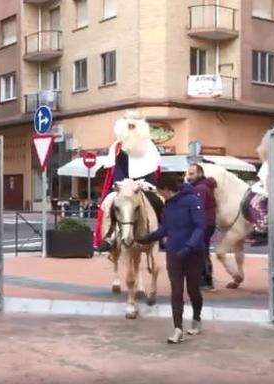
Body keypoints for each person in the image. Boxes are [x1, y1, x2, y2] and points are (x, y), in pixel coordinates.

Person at [138, 173, 206, 344]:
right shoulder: (168, 204)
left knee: (192, 289)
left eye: (160, 191)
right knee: (176, 290)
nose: (160, 194)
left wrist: (189, 246)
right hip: (174, 253)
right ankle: (178, 329)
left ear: (167, 189)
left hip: (193, 253)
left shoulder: (192, 201)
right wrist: (147, 238)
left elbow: (200, 227)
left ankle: (196, 319)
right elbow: (165, 228)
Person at [95, 111, 162, 252]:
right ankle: (110, 235)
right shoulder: (117, 147)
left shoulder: (149, 146)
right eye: (128, 126)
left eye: (134, 126)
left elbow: (153, 168)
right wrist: (119, 184)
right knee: (108, 203)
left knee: (159, 202)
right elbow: (114, 170)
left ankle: (162, 234)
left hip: (143, 184)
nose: (131, 129)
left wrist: (146, 183)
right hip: (121, 185)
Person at [186, 164, 217, 290]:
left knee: (199, 251)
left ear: (200, 174)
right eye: (188, 173)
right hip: (207, 223)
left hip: (202, 224)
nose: (188, 177)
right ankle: (205, 279)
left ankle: (204, 280)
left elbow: (197, 208)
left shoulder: (200, 189)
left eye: (192, 174)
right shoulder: (204, 186)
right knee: (203, 250)